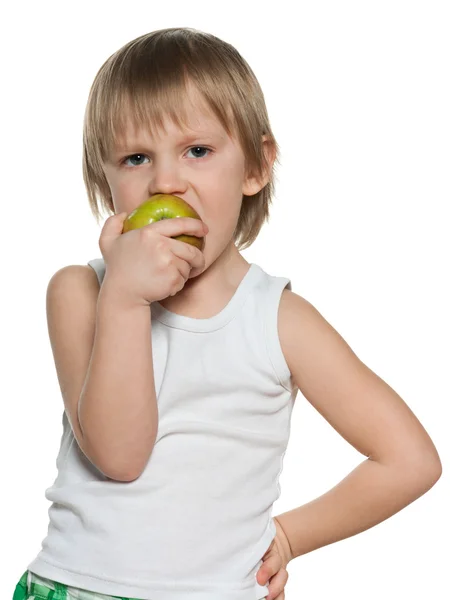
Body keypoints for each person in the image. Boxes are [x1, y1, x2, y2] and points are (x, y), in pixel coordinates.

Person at [13, 27, 442, 600]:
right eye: (136, 157)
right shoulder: (81, 294)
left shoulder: (279, 320)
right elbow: (118, 455)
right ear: (104, 182)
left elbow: (409, 460)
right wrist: (126, 297)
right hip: (74, 587)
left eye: (198, 150)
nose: (166, 181)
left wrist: (288, 536)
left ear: (255, 167)